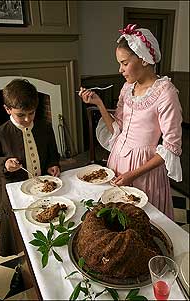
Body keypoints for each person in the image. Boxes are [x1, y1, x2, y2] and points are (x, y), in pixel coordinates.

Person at [78, 24, 182, 220]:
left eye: (124, 63)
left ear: (143, 58)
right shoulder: (127, 88)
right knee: (118, 217)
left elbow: (172, 148)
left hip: (144, 169)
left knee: (142, 220)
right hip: (118, 159)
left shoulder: (165, 93)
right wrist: (98, 103)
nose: (120, 70)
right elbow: (116, 129)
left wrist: (133, 175)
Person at [0, 79, 61, 256]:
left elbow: (53, 152)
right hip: (16, 196)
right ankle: (23, 269)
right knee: (21, 236)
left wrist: (53, 165)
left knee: (47, 230)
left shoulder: (44, 127)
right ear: (8, 109)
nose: (28, 119)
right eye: (21, 115)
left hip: (45, 191)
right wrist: (4, 164)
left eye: (31, 113)